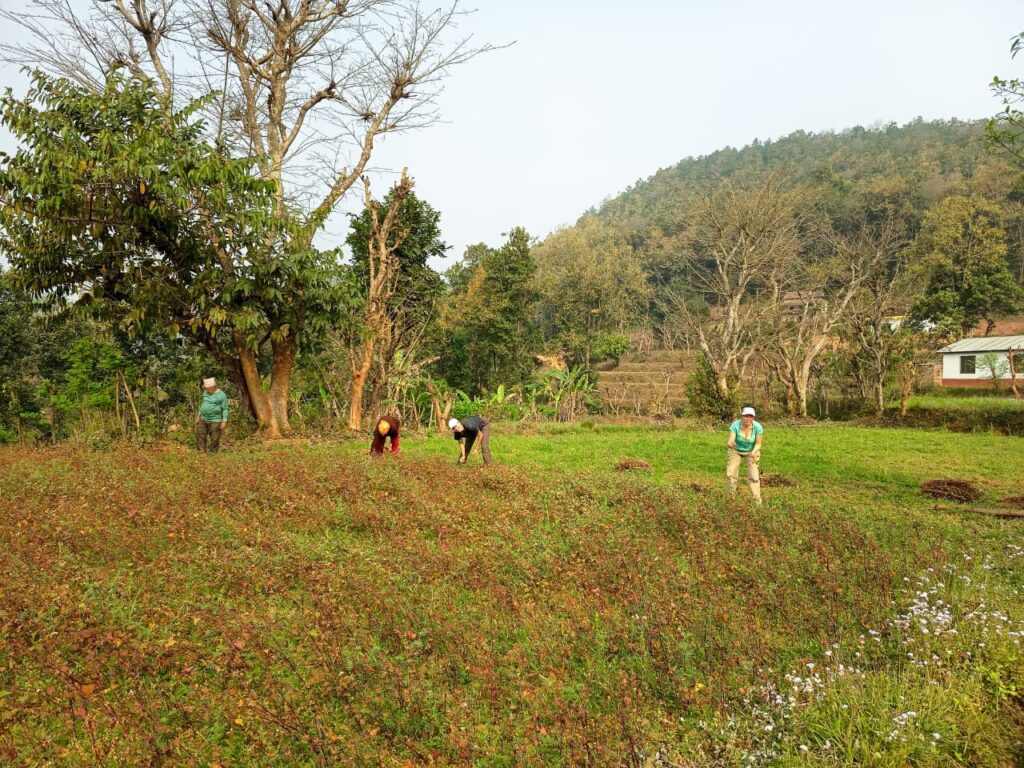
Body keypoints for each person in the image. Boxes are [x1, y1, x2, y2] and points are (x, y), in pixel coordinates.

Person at [727, 404, 763, 504]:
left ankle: (757, 501)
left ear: (753, 417)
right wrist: (730, 443)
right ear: (741, 416)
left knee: (754, 476)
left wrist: (753, 451)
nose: (748, 418)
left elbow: (758, 444)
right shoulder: (735, 425)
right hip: (735, 450)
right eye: (746, 416)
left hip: (752, 450)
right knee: (731, 474)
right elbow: (730, 440)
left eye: (751, 416)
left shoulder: (758, 427)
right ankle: (731, 499)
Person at [195, 377, 228, 453]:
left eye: (208, 388)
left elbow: (225, 409)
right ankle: (201, 450)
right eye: (206, 388)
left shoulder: (222, 395)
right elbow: (203, 404)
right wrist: (198, 416)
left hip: (215, 420)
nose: (206, 390)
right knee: (200, 435)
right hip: (203, 418)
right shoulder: (205, 393)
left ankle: (213, 452)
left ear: (214, 387)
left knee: (215, 438)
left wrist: (224, 421)